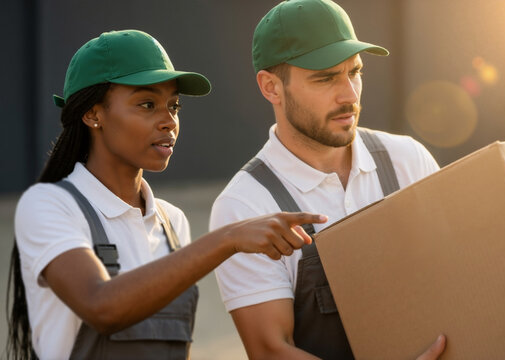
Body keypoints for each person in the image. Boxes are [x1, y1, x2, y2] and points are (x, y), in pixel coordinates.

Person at [7, 29, 327, 360]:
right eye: (147, 104)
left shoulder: (171, 223)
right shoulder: (48, 205)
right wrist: (227, 238)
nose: (169, 121)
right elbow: (101, 306)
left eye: (173, 106)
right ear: (92, 114)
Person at [210, 1, 446, 359]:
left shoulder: (407, 160)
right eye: (325, 78)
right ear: (271, 87)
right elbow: (272, 351)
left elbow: (457, 276)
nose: (349, 95)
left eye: (355, 72)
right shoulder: (245, 205)